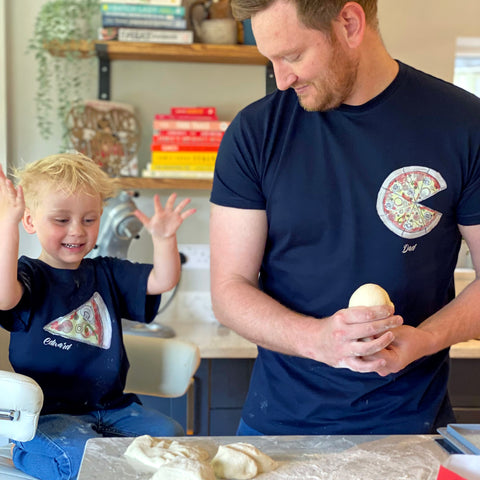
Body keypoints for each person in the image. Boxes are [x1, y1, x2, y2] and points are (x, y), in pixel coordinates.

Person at [209, 0, 480, 437]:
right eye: (271, 60)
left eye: (292, 56)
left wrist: (425, 340)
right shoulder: (255, 133)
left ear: (349, 24)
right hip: (278, 430)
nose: (281, 80)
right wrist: (317, 340)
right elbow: (227, 289)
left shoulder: (465, 125)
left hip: (414, 431)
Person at [0, 153, 196, 480]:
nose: (77, 231)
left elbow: (163, 280)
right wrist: (7, 223)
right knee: (82, 458)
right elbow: (5, 296)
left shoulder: (107, 271)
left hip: (113, 409)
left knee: (171, 437)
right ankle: (25, 451)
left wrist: (164, 239)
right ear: (30, 221)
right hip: (48, 415)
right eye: (61, 220)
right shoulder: (29, 275)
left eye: (89, 220)